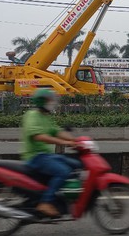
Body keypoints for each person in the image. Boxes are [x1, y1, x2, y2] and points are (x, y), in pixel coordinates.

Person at [21, 89, 81, 217]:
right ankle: (45, 202)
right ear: (42, 101)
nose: (52, 103)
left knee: (75, 164)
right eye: (50, 100)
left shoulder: (46, 117)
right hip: (35, 157)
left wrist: (75, 140)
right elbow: (39, 136)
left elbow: (57, 131)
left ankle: (61, 197)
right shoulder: (32, 115)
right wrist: (63, 142)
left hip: (46, 156)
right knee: (62, 171)